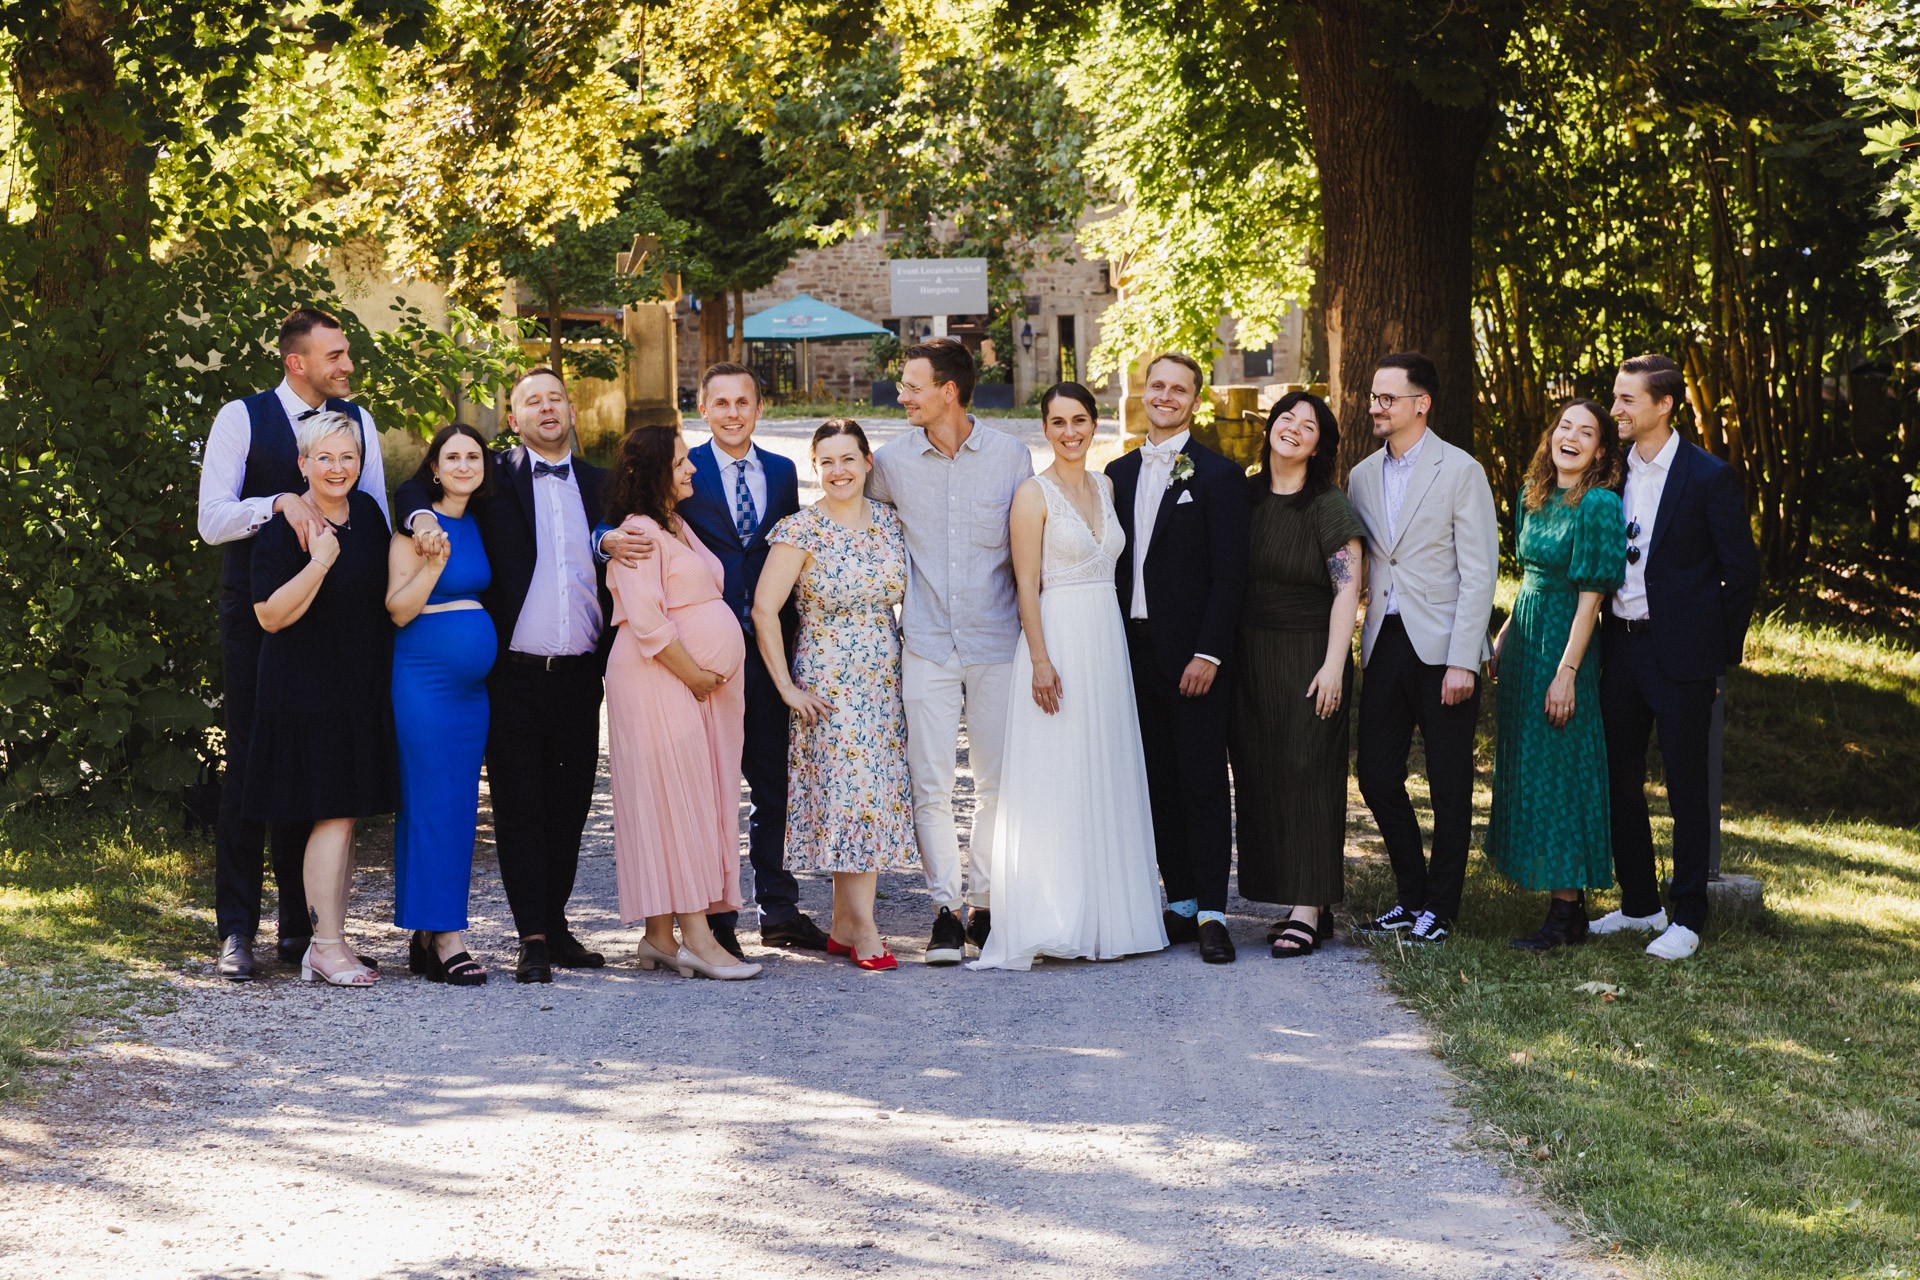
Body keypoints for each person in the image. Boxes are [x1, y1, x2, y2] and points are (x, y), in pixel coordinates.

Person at [597, 363, 829, 959]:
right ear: (703, 408)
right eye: (720, 403)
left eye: (742, 402)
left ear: (759, 408)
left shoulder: (782, 472)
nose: (732, 413)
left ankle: (778, 909)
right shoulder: (679, 468)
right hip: (689, 668)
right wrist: (604, 540)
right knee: (709, 783)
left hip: (768, 647)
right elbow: (623, 516)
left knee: (773, 781)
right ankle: (717, 920)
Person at [399, 368, 612, 984]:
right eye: (531, 402)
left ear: (571, 410)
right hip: (513, 674)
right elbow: (415, 486)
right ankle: (532, 937)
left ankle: (557, 924)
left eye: (555, 399)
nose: (547, 409)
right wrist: (421, 520)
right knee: (520, 806)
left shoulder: (602, 484)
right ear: (513, 420)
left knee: (570, 806)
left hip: (580, 673)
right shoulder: (494, 477)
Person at [197, 306, 389, 981]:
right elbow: (212, 519)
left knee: (313, 769)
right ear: (296, 362)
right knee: (253, 761)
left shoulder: (358, 422)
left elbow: (375, 517)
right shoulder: (242, 418)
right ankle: (236, 929)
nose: (348, 366)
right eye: (336, 355)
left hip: (338, 627)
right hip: (261, 615)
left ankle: (301, 932)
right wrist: (279, 503)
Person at [971, 383, 1167, 971]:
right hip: (1056, 637)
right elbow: (1025, 584)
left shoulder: (1106, 486)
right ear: (1044, 429)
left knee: (1103, 765)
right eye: (1058, 422)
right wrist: (1039, 659)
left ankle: (1110, 914)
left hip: (1104, 640)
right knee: (1057, 770)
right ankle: (1053, 915)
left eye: (1079, 420)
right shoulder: (1032, 494)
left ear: (1093, 423)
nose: (1070, 432)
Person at [867, 337, 1033, 965]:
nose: (902, 397)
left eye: (912, 387)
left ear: (949, 391)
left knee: (996, 783)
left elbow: (1029, 549)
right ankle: (943, 910)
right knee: (930, 782)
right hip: (927, 642)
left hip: (998, 641)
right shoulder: (890, 463)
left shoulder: (1011, 456)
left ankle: (985, 905)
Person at [1596, 354, 1759, 961]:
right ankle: (1640, 903)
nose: (1615, 409)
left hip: (1684, 658)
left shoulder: (1709, 476)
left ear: (1663, 405)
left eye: (1627, 399)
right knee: (1618, 778)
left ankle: (1688, 915)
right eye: (1615, 397)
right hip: (1620, 646)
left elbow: (1741, 573)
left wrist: (1716, 657)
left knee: (1687, 787)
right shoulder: (1610, 472)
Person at [751, 420, 917, 972]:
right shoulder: (800, 530)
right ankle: (866, 930)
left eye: (848, 459)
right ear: (815, 467)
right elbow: (764, 610)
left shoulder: (891, 522)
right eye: (827, 462)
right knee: (851, 799)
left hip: (884, 682)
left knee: (869, 798)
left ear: (868, 462)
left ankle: (845, 925)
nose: (838, 471)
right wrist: (786, 687)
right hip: (828, 686)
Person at [1348, 352, 1499, 946]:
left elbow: (1479, 571)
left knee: (1449, 782)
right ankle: (1410, 897)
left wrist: (1464, 658)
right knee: (1376, 776)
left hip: (1443, 646)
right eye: (1374, 396)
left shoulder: (1461, 470)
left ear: (1422, 404)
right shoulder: (1362, 475)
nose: (1376, 407)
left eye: (1387, 398)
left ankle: (1440, 907)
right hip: (1383, 641)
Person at [244, 411, 397, 987]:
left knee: (346, 813)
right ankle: (324, 947)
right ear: (303, 464)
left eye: (347, 457)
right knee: (333, 811)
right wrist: (321, 562)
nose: (337, 468)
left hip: (360, 684)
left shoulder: (371, 515)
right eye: (325, 458)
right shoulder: (283, 529)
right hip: (305, 689)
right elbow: (269, 616)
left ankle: (332, 940)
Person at [1107, 352, 1250, 964]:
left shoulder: (1219, 476)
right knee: (1157, 783)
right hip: (1132, 653)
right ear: (1145, 392)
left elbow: (1230, 575)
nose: (1165, 397)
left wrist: (1209, 653)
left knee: (1202, 784)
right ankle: (1183, 902)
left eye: (1179, 389)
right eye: (1157, 386)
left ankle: (1215, 911)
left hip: (1195, 659)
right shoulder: (1116, 473)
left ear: (1196, 400)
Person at [602, 426, 760, 981]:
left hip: (683, 680)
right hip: (658, 676)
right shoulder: (638, 532)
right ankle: (696, 939)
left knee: (675, 797)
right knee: (677, 798)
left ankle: (659, 937)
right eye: (679, 462)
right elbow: (647, 620)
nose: (691, 468)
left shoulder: (675, 523)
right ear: (650, 472)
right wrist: (696, 676)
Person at [1229, 391, 1366, 959]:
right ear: (1270, 427)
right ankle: (1297, 898)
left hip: (1311, 653)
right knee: (1262, 774)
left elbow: (1347, 590)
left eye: (1308, 426)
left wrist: (1334, 664)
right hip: (1250, 655)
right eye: (1287, 417)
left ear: (1318, 446)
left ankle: (1309, 907)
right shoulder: (1245, 495)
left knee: (1308, 773)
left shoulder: (1328, 506)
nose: (1294, 428)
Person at [1486, 401, 1627, 952]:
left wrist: (1567, 672)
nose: (1571, 437)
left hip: (1566, 642)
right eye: (1565, 426)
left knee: (1562, 768)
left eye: (1586, 432)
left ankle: (1566, 915)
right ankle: (1564, 904)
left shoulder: (1598, 505)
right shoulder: (1533, 493)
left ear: (1600, 450)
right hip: (1526, 636)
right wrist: (1505, 633)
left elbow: (1592, 600)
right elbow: (1530, 577)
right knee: (1530, 763)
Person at [385, 424, 497, 985]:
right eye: (452, 457)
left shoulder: (480, 521)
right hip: (424, 683)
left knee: (457, 808)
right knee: (430, 805)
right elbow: (398, 609)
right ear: (434, 468)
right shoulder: (413, 531)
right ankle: (448, 936)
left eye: (473, 456)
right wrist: (432, 565)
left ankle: (427, 934)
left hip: (471, 695)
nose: (463, 465)